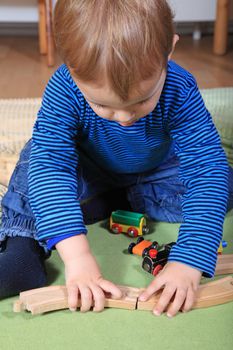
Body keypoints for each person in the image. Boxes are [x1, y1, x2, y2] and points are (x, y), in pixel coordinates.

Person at [0, 0, 233, 317]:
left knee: (219, 181)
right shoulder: (64, 87)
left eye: (142, 100)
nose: (124, 118)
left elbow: (206, 171)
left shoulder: (180, 88)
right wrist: (79, 258)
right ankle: (21, 249)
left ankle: (109, 201)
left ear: (169, 50)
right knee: (37, 163)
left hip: (156, 173)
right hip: (89, 169)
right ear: (71, 68)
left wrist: (189, 259)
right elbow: (52, 167)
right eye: (102, 105)